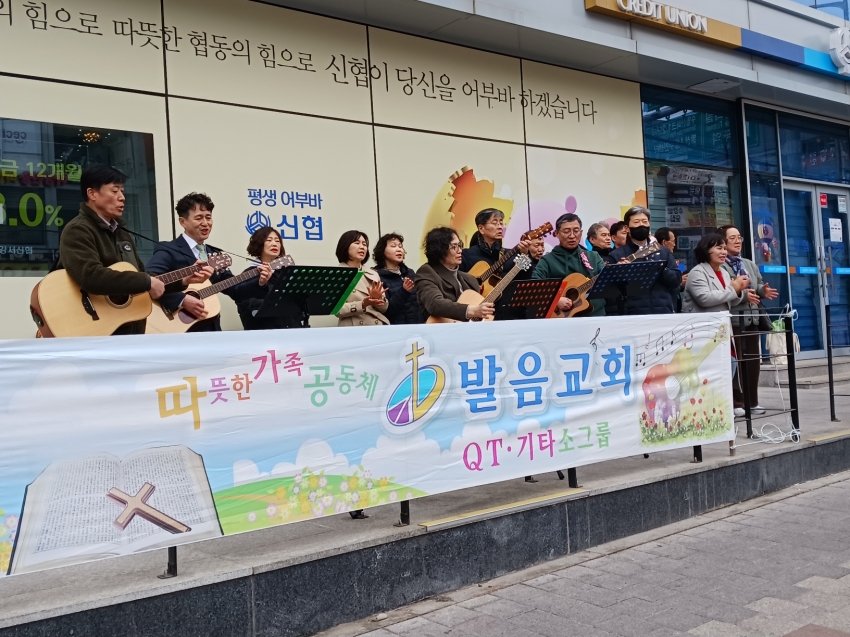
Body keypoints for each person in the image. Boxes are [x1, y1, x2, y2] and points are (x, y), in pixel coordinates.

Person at [55, 164, 207, 335]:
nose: (122, 197)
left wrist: (183, 280)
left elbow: (141, 276)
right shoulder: (78, 230)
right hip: (98, 330)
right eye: (115, 191)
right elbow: (90, 275)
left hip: (131, 329)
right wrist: (145, 282)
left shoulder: (122, 233)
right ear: (92, 194)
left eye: (122, 191)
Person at [145, 192, 243, 332]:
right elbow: (150, 281)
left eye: (208, 217)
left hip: (212, 327)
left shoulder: (214, 254)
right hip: (181, 330)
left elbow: (235, 289)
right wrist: (181, 299)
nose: (205, 223)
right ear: (182, 222)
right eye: (199, 218)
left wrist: (260, 281)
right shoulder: (168, 249)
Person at [719, 225, 779, 416]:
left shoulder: (748, 263)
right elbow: (725, 290)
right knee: (736, 363)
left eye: (739, 237)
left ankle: (752, 402)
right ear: (723, 242)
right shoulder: (720, 265)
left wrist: (763, 290)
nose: (737, 241)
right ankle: (737, 402)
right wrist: (744, 295)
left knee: (753, 362)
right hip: (735, 321)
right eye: (732, 238)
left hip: (752, 318)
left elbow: (758, 283)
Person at [683, 234, 750, 381]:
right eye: (719, 248)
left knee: (728, 373)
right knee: (707, 380)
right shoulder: (697, 272)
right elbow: (705, 298)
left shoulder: (724, 272)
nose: (724, 252)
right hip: (704, 334)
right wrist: (733, 289)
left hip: (722, 331)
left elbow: (728, 300)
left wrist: (738, 291)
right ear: (706, 250)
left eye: (725, 248)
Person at [607, 206, 681, 315]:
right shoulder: (616, 255)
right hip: (633, 314)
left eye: (645, 221)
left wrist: (660, 268)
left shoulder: (663, 251)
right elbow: (612, 290)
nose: (641, 225)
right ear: (627, 228)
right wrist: (621, 272)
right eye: (636, 222)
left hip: (663, 311)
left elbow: (676, 281)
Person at [532, 213, 605, 317]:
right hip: (563, 319)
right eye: (566, 231)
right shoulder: (547, 261)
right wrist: (555, 300)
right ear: (557, 233)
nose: (572, 236)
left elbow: (607, 280)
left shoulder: (593, 256)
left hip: (596, 315)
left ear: (581, 233)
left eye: (576, 231)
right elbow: (534, 287)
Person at [416, 227, 493, 322]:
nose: (460, 250)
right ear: (439, 250)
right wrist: (471, 311)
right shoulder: (426, 272)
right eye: (454, 247)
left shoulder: (470, 279)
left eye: (460, 245)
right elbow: (434, 304)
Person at [235, 227, 304, 330]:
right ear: (259, 244)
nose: (274, 244)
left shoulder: (286, 273)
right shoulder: (248, 275)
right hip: (264, 333)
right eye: (269, 240)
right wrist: (279, 302)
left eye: (277, 241)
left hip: (293, 331)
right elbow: (248, 308)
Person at [336, 230, 389, 328]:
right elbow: (337, 310)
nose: (362, 247)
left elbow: (384, 309)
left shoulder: (373, 273)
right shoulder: (337, 274)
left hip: (377, 326)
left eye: (364, 244)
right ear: (345, 246)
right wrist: (363, 304)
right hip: (353, 328)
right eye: (357, 243)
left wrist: (377, 299)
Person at [460, 208, 529, 276]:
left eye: (501, 223)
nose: (500, 227)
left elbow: (524, 277)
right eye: (494, 223)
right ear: (481, 228)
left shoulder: (509, 254)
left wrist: (524, 255)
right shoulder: (466, 255)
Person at [373, 233, 420, 325]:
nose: (399, 249)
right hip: (396, 328)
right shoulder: (377, 276)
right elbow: (386, 311)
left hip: (417, 326)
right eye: (393, 246)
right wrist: (404, 291)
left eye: (400, 246)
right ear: (382, 250)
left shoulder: (409, 272)